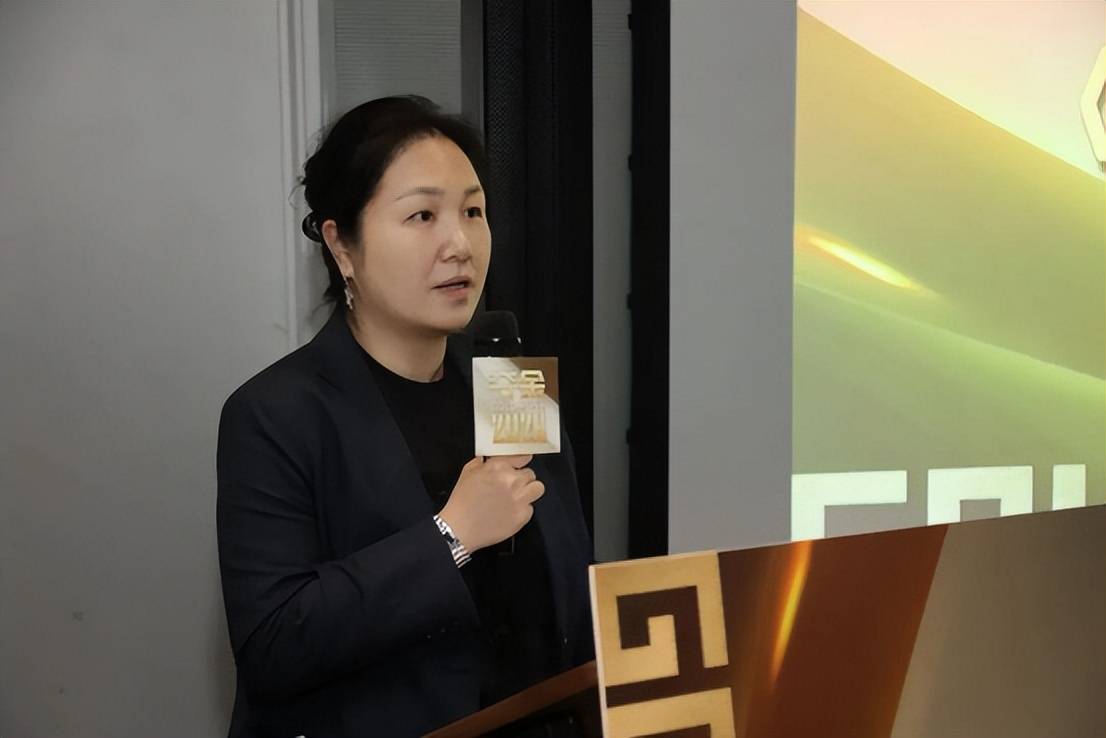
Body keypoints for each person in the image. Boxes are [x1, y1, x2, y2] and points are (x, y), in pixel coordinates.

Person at [216, 96, 594, 738]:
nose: (460, 245)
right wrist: (453, 534)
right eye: (422, 215)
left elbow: (569, 598)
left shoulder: (512, 380)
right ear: (341, 245)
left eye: (473, 212)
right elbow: (274, 645)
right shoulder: (275, 413)